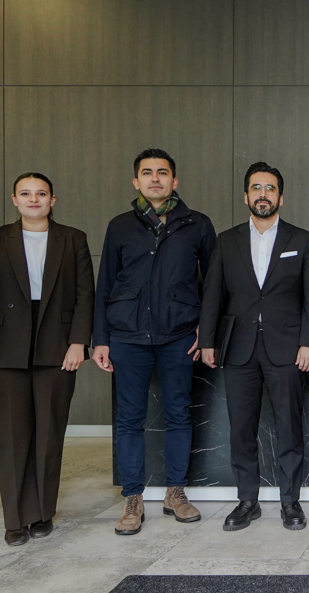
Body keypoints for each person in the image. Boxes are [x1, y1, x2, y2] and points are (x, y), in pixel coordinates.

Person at [92, 149, 216, 535]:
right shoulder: (119, 226)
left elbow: (214, 284)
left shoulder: (197, 224)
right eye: (147, 173)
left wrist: (206, 329)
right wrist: (100, 339)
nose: (155, 178)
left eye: (163, 173)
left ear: (174, 181)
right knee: (129, 419)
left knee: (179, 413)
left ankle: (175, 492)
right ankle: (133, 498)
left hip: (179, 335)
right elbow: (105, 284)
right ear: (136, 181)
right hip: (127, 336)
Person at [0, 173, 95, 546]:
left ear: (53, 200)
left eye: (41, 193)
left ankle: (42, 512)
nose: (33, 199)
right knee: (12, 436)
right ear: (14, 199)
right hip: (6, 347)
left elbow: (85, 294)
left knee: (49, 433)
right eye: (26, 193)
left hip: (58, 344)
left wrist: (78, 343)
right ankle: (15, 518)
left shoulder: (73, 238)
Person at [199, 162, 309, 532]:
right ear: (245, 196)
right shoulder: (227, 240)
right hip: (239, 348)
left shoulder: (302, 240)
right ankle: (247, 501)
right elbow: (213, 295)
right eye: (256, 188)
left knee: (289, 428)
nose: (263, 194)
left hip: (288, 348)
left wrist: (308, 342)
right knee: (241, 430)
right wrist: (207, 340)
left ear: (281, 197)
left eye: (270, 188)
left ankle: (290, 502)